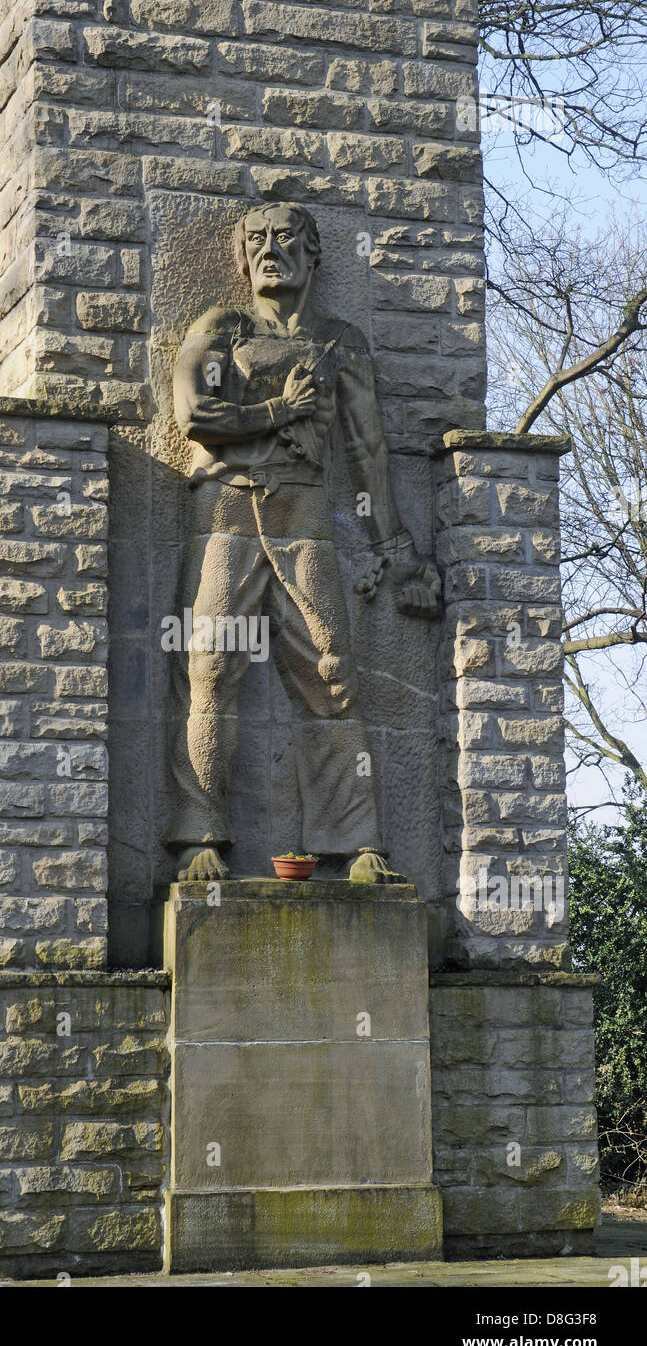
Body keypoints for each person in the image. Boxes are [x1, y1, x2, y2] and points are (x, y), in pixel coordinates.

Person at [166, 202, 440, 883]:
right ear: (240, 257)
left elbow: (368, 449)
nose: (270, 250)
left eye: (285, 238)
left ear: (312, 253)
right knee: (210, 668)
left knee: (332, 673)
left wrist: (395, 547)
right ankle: (198, 837)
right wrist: (275, 412)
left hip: (305, 510)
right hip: (225, 511)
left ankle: (354, 843)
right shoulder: (220, 328)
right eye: (255, 240)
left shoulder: (339, 341)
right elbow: (194, 415)